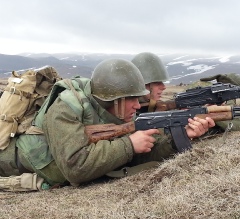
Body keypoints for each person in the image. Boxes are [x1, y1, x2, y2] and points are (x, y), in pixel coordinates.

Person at [0, 59, 215, 191]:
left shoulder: (119, 114)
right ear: (114, 99)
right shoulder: (66, 107)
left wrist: (182, 137)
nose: (136, 105)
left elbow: (139, 153)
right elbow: (76, 167)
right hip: (8, 161)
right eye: (131, 99)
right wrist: (128, 145)